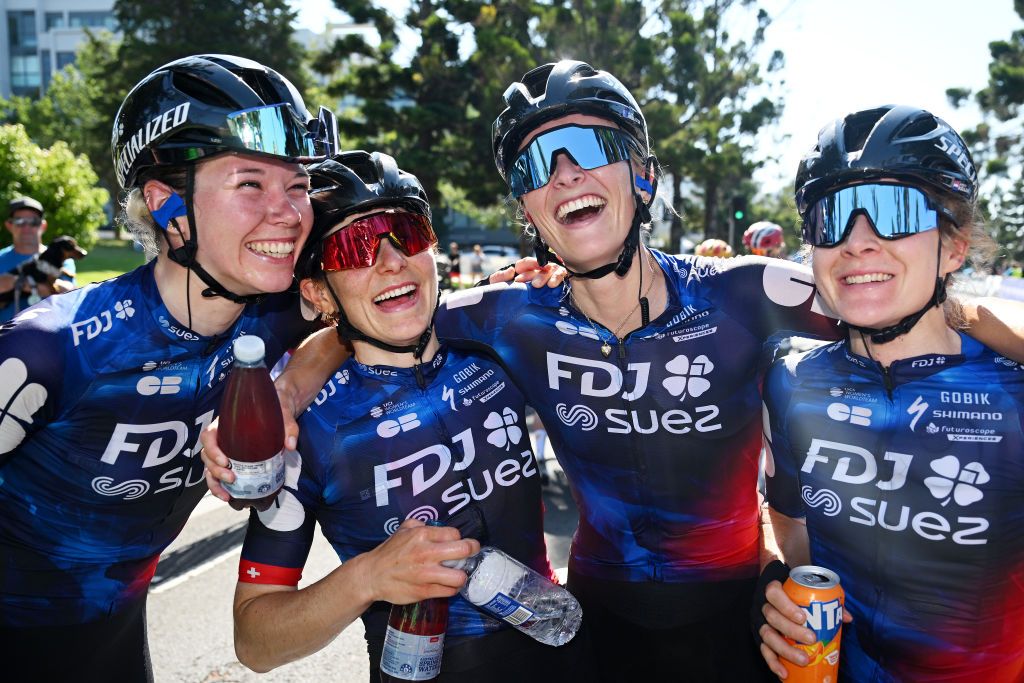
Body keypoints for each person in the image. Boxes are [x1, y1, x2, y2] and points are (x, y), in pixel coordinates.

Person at [206, 60, 1023, 681]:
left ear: (641, 171)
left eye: (587, 147)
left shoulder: (750, 293)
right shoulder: (504, 319)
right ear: (526, 211)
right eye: (535, 167)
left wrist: (979, 315)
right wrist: (283, 388)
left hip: (739, 620)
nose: (563, 175)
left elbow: (895, 291)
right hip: (594, 629)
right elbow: (373, 317)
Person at [0, 54, 338, 682]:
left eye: (296, 185)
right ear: (165, 204)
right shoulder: (51, 348)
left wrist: (291, 385)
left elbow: (372, 322)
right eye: (250, 183)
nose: (289, 213)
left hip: (120, 645)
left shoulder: (279, 312)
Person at [230, 151, 589, 682]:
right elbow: (254, 641)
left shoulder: (499, 338)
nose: (391, 261)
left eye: (407, 232)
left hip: (557, 650)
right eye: (355, 247)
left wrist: (561, 281)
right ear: (317, 291)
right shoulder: (310, 431)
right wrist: (365, 579)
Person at [756, 105, 1024, 682]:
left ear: (954, 248)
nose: (858, 242)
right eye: (831, 218)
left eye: (893, 210)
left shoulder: (1013, 390)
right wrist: (780, 588)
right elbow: (790, 525)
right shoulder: (791, 376)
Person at [0, 196, 76, 320]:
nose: (26, 227)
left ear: (43, 225)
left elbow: (70, 294)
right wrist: (44, 284)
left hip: (49, 337)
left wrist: (17, 282)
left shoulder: (62, 258)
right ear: (9, 225)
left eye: (34, 221)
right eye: (19, 221)